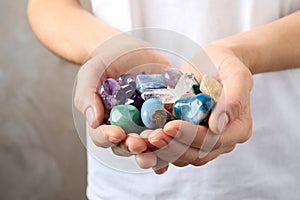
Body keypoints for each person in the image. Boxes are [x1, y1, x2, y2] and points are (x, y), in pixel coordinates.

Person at [27, 0, 300, 199]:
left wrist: (240, 54)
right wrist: (109, 46)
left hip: (268, 172)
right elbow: (48, 6)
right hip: (123, 187)